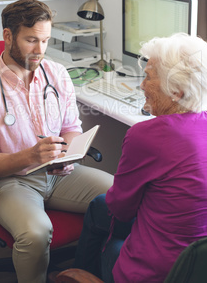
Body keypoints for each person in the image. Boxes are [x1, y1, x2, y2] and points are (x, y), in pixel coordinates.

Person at [0, 0, 113, 283]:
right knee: (36, 233)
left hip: (60, 174)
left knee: (122, 196)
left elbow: (70, 127)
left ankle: (86, 273)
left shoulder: (57, 75)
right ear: (8, 35)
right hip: (11, 181)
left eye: (45, 40)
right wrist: (30, 156)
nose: (40, 50)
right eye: (31, 40)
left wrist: (70, 153)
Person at [74, 33, 207, 282]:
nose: (141, 85)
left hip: (157, 273)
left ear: (176, 91)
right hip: (199, 267)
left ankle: (83, 275)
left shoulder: (145, 135)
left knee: (103, 210)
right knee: (100, 205)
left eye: (148, 77)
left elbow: (121, 210)